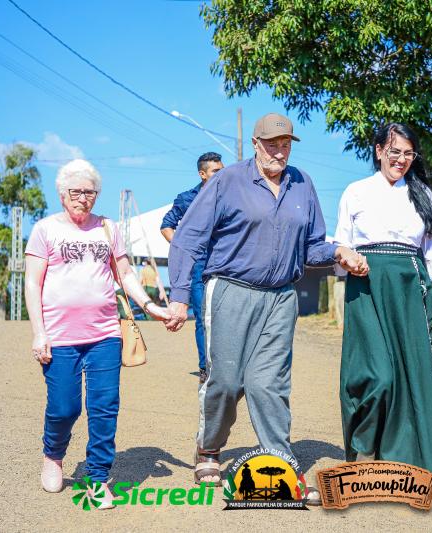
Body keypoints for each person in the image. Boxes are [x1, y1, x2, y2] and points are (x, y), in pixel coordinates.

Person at [165, 113, 368, 505]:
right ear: (256, 144)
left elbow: (311, 247)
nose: (279, 151)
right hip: (230, 290)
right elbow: (188, 237)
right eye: (272, 144)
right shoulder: (228, 180)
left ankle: (279, 461)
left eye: (285, 144)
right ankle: (209, 448)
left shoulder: (302, 183)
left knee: (268, 383)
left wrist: (338, 251)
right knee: (226, 381)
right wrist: (178, 295)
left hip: (280, 297)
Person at [25, 159, 168, 508]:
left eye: (90, 192)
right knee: (64, 408)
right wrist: (39, 333)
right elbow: (32, 283)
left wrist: (149, 306)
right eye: (76, 191)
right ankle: (53, 454)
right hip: (60, 336)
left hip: (105, 334)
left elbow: (125, 274)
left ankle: (98, 478)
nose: (83, 198)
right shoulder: (45, 229)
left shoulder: (107, 228)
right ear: (62, 194)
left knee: (104, 407)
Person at [333, 122, 432, 479]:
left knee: (412, 375)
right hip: (366, 287)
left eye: (408, 154)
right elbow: (341, 244)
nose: (401, 159)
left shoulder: (422, 194)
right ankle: (364, 447)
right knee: (376, 374)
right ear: (378, 151)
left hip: (411, 287)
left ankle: (402, 462)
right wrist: (348, 260)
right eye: (394, 152)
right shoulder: (356, 192)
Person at [161, 152, 224, 384]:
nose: (221, 175)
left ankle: (227, 367)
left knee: (227, 318)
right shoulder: (187, 199)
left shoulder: (231, 196)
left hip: (226, 268)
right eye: (216, 171)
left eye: (222, 170)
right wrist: (185, 249)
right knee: (202, 318)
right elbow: (166, 226)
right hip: (199, 269)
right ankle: (205, 367)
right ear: (202, 174)